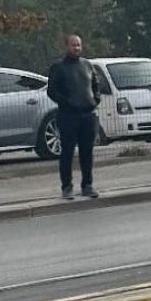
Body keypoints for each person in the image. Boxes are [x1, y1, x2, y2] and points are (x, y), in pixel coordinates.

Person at [47, 34, 102, 199]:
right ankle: (67, 187)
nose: (76, 48)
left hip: (87, 115)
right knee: (67, 153)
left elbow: (96, 84)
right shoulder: (58, 67)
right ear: (67, 47)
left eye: (78, 45)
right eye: (73, 45)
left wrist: (95, 99)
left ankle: (87, 185)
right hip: (68, 116)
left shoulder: (87, 65)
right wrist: (66, 102)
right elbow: (52, 91)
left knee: (87, 152)